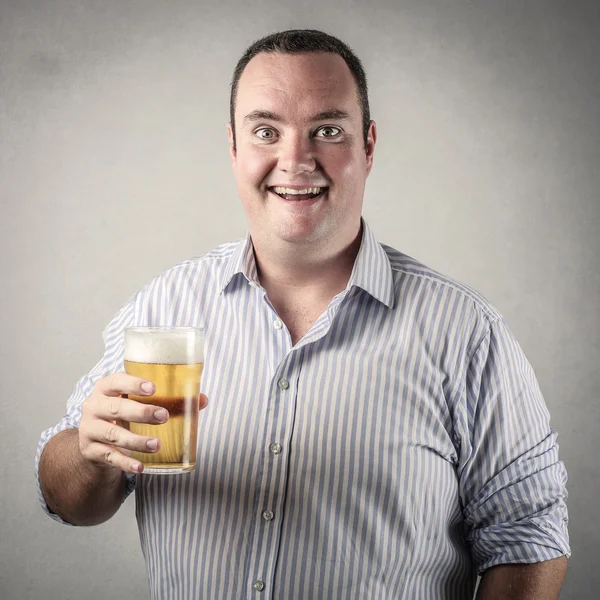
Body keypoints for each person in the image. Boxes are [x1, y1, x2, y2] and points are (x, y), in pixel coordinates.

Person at [36, 29, 570, 599]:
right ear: (234, 147)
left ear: (368, 145)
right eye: (266, 132)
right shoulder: (165, 304)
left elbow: (528, 540)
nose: (295, 160)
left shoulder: (464, 331)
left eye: (328, 131)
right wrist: (91, 457)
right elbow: (71, 500)